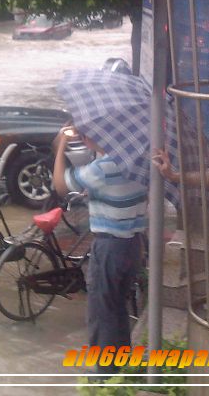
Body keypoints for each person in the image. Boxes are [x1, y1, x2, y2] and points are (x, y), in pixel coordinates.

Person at [52, 125, 146, 377]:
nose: (83, 138)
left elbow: (60, 185)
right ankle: (119, 367)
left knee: (101, 312)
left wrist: (61, 145)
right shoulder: (137, 162)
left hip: (109, 247)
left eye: (86, 134)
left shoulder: (104, 168)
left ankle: (104, 375)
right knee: (117, 308)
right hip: (133, 245)